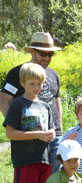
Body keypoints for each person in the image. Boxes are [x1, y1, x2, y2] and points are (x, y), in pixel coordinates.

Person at [0, 32, 63, 174]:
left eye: (50, 54)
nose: (47, 58)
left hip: (53, 138)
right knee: (31, 182)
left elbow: (57, 105)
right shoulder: (17, 73)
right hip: (29, 140)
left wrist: (59, 132)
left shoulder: (54, 75)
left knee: (54, 180)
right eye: (43, 53)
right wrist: (17, 126)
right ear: (33, 51)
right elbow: (3, 99)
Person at [3, 62, 55, 183]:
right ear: (22, 83)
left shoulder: (45, 106)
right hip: (25, 160)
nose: (36, 88)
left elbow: (49, 131)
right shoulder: (17, 104)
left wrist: (50, 134)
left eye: (39, 84)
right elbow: (10, 133)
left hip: (44, 160)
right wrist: (37, 135)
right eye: (32, 83)